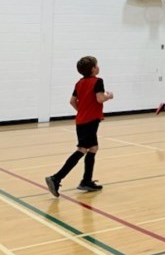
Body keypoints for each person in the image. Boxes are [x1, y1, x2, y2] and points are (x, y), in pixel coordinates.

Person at [45, 56, 114, 197]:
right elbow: (100, 98)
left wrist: (81, 111)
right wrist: (109, 96)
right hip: (90, 121)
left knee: (93, 148)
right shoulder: (98, 81)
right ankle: (56, 177)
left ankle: (86, 181)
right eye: (97, 65)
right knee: (82, 149)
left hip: (82, 121)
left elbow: (72, 101)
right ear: (93, 68)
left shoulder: (79, 83)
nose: (98, 67)